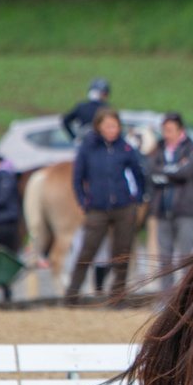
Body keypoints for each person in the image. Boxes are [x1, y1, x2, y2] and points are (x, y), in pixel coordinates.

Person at [66, 108, 146, 304]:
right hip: (97, 207)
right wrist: (84, 201)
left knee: (122, 251)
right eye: (108, 126)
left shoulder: (125, 148)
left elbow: (138, 173)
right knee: (88, 249)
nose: (112, 130)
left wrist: (137, 197)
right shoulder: (88, 148)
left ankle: (117, 293)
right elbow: (78, 178)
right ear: (99, 127)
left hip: (123, 206)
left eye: (115, 126)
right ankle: (72, 293)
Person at [148, 111, 193, 291]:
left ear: (180, 130)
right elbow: (151, 172)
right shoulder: (159, 147)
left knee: (185, 256)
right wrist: (174, 170)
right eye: (164, 130)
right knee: (164, 257)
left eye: (170, 130)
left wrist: (164, 173)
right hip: (163, 209)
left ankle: (185, 295)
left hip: (185, 209)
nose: (166, 134)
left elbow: (186, 173)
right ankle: (166, 296)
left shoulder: (192, 148)